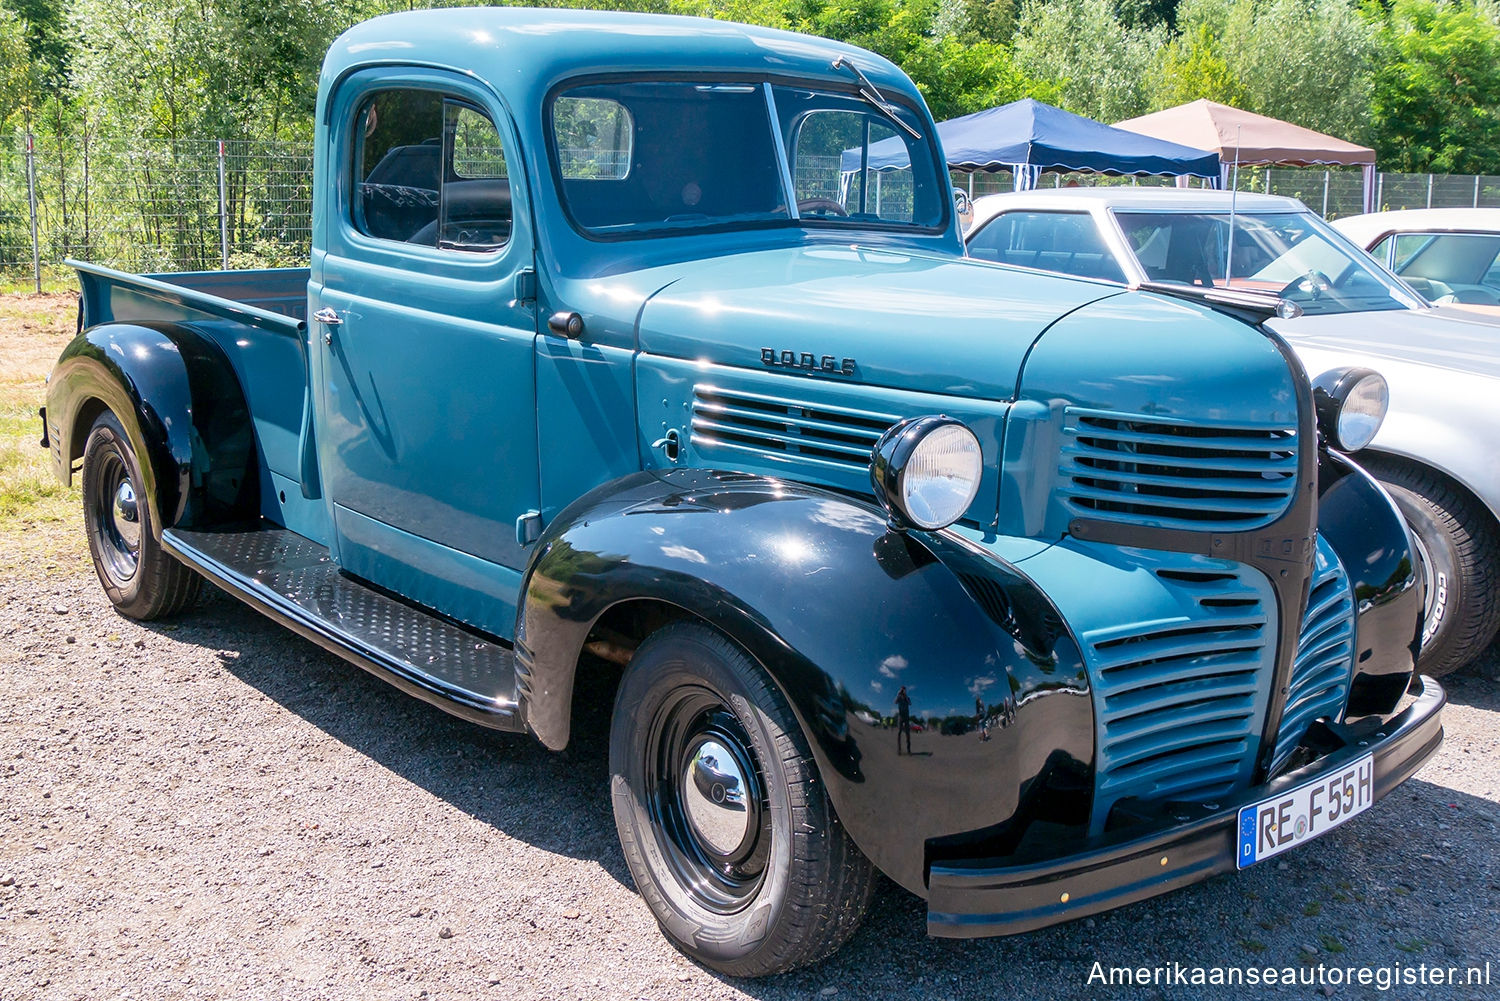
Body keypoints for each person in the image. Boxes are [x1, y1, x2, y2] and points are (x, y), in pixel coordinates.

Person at [895, 685, 912, 755]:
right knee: (899, 732)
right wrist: (898, 694)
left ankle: (908, 750)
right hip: (900, 716)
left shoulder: (907, 698)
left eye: (904, 690)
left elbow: (910, 704)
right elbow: (895, 702)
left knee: (907, 733)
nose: (903, 691)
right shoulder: (899, 697)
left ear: (905, 691)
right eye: (902, 690)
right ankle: (899, 750)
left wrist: (906, 696)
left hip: (906, 716)